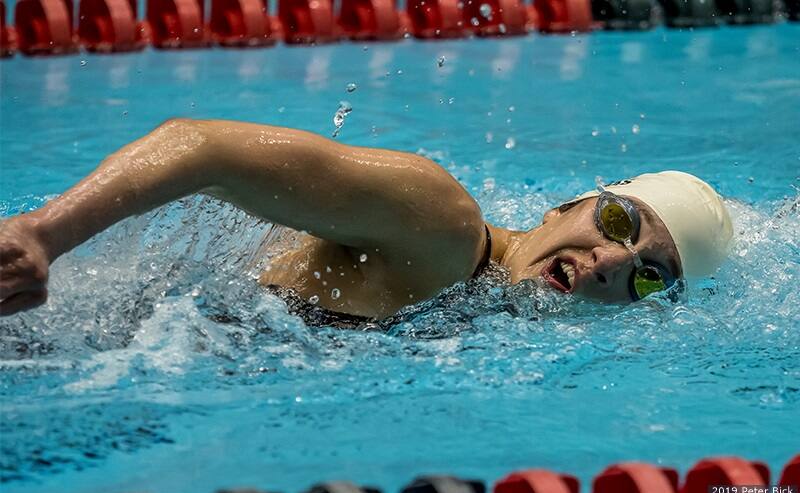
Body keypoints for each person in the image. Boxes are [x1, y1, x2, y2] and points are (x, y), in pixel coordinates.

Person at [0, 119, 733, 320]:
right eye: (615, 221)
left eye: (647, 280)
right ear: (567, 205)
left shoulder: (480, 304)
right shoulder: (441, 225)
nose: (611, 262)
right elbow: (202, 146)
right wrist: (42, 234)